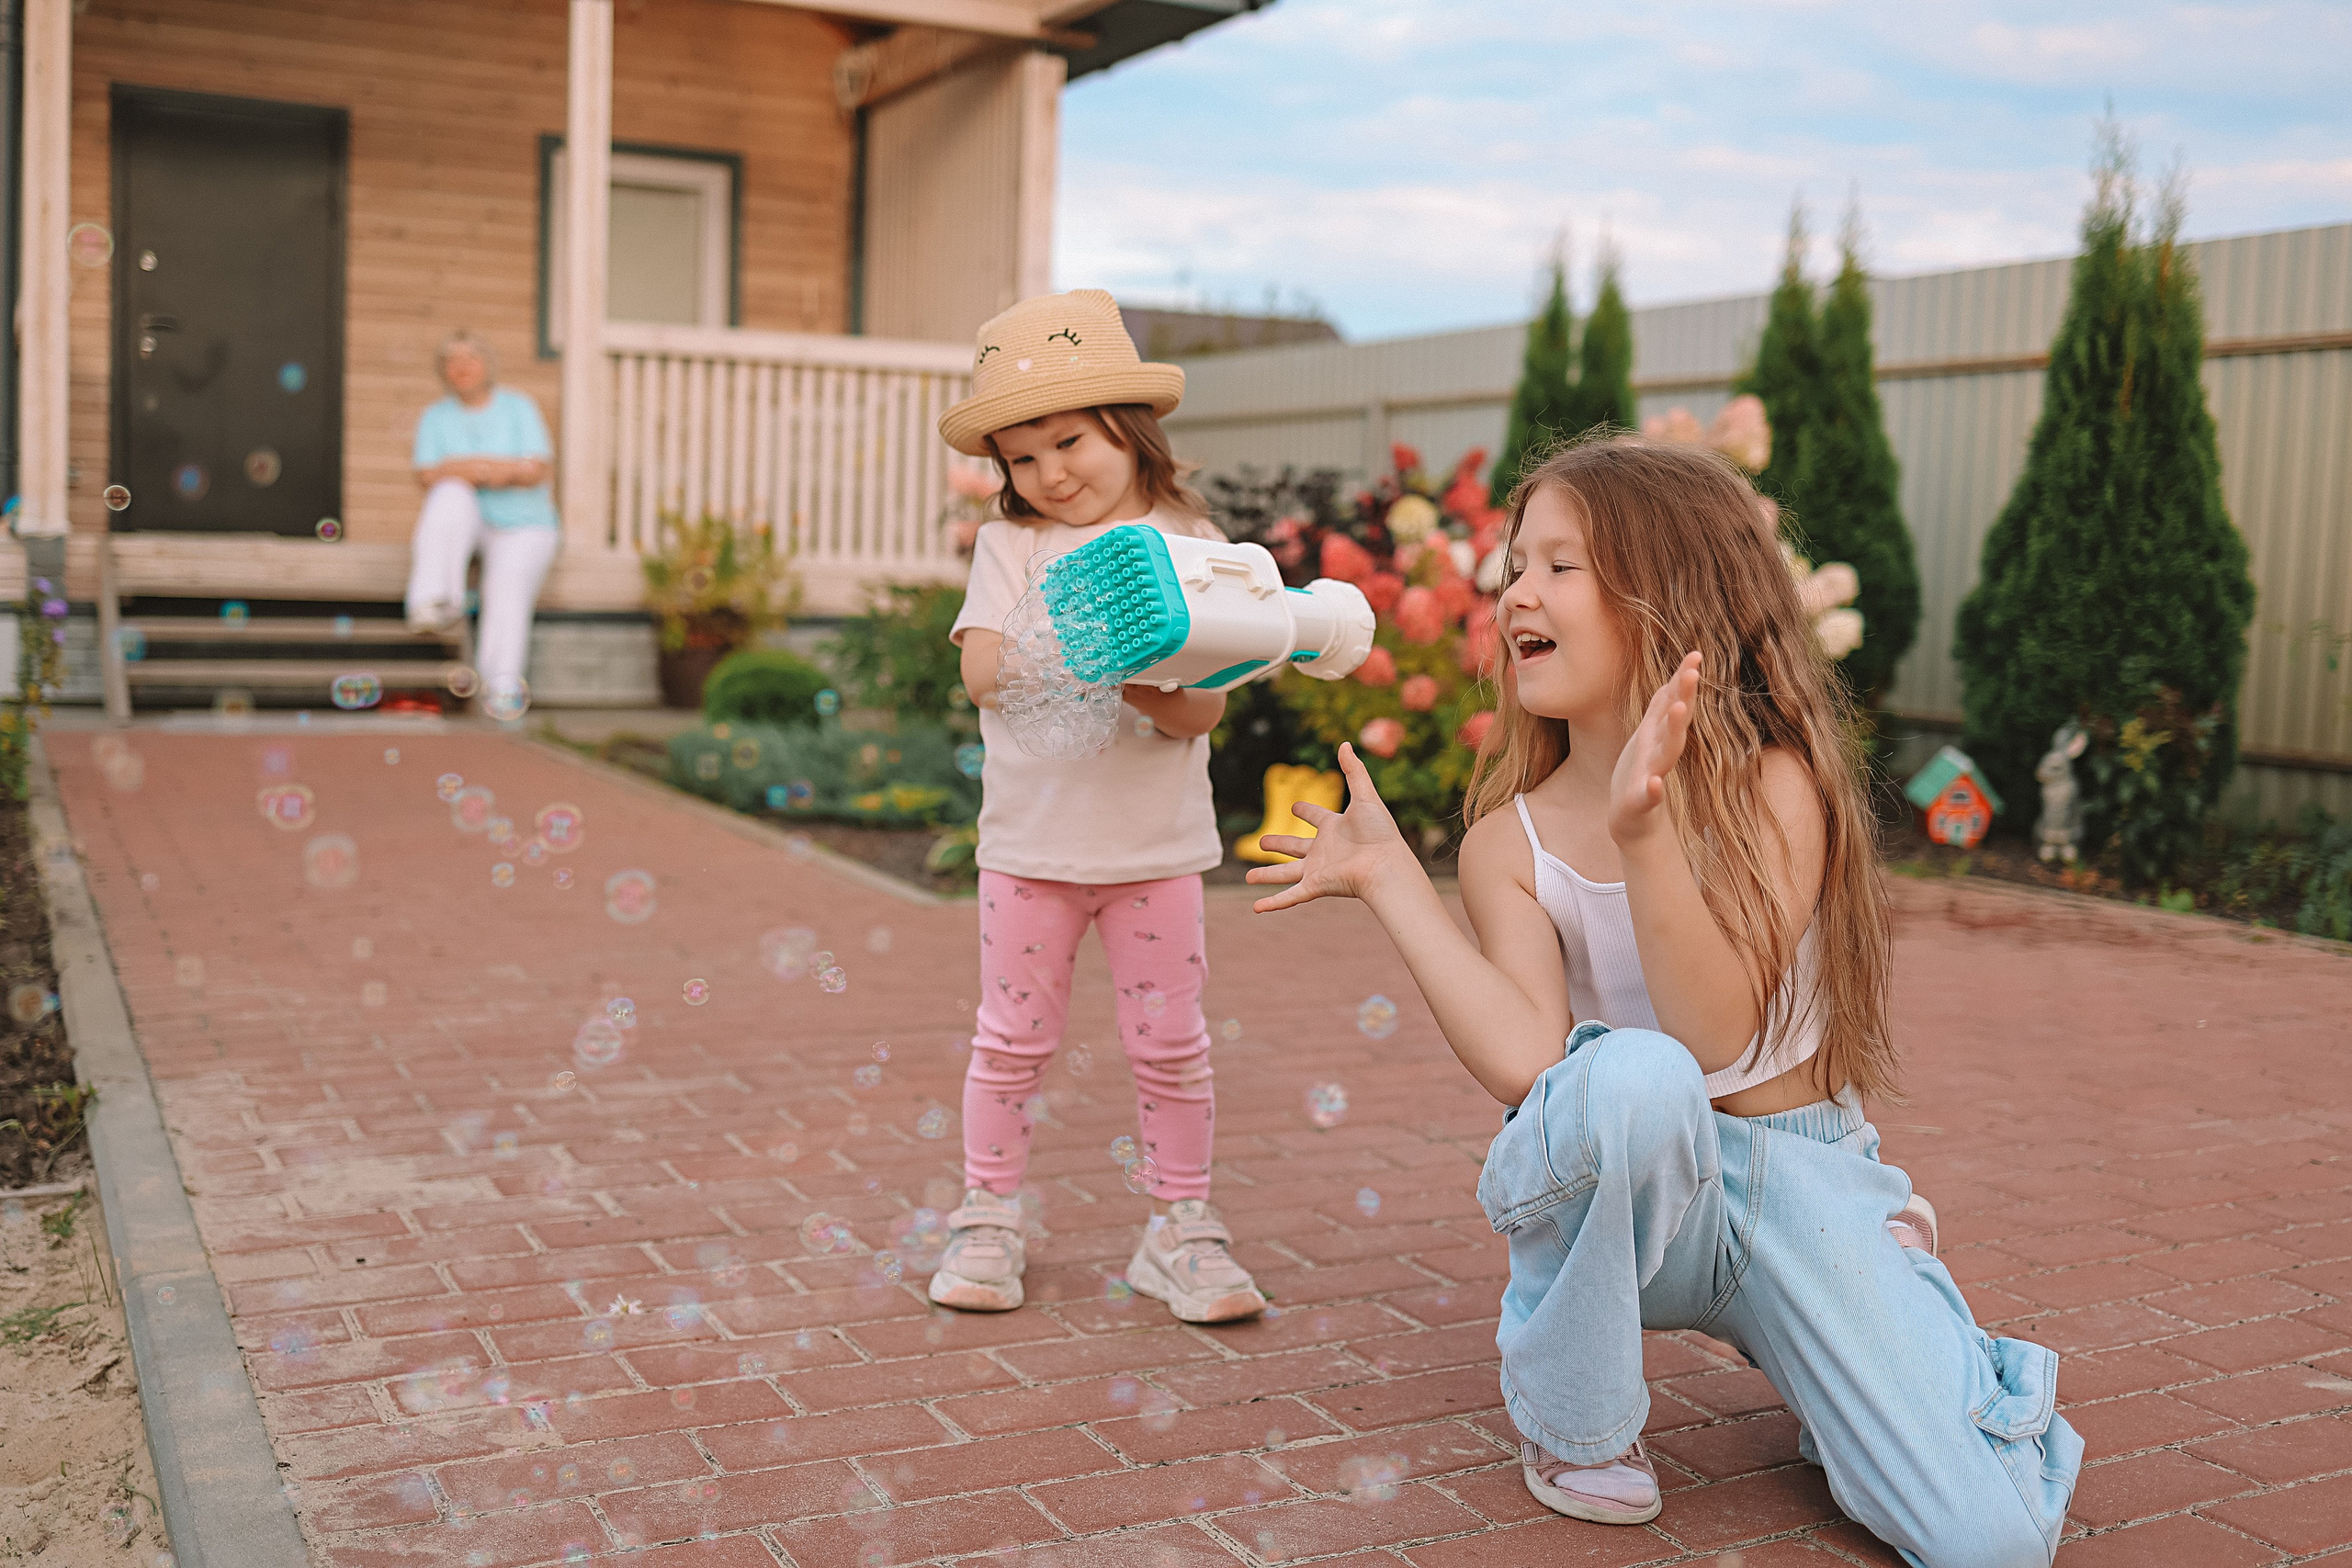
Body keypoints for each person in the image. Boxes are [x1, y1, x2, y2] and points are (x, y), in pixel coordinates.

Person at [1246, 436, 2081, 1566]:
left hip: (1803, 1178)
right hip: (1632, 1196)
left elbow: (1718, 1027)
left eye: (1562, 566)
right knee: (1632, 1076)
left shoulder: (1777, 784)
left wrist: (1647, 838)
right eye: (1514, 564)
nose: (1517, 594)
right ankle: (1577, 1422)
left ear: (1672, 596)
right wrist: (1395, 883)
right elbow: (1526, 1062)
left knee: (1991, 1547)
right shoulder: (1511, 840)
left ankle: (1887, 1368)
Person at [926, 288, 1261, 1325]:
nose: (1050, 473)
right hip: (1029, 851)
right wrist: (1081, 635)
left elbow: (1197, 710)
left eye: (1070, 442)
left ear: (1129, 428)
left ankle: (1180, 1228)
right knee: (1011, 1041)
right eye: (1023, 458)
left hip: (1152, 854)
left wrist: (1138, 671)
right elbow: (984, 671)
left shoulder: (1186, 540)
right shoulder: (1011, 547)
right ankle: (989, 1214)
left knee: (1170, 1045)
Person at [404, 330, 560, 710]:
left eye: (470, 359)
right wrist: (496, 470)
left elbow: (535, 470)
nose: (462, 368)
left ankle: (501, 689)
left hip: (524, 524)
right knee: (449, 494)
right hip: (471, 519)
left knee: (505, 592)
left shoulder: (517, 407)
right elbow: (428, 476)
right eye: (452, 361)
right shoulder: (435, 416)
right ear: (443, 371)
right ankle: (435, 600)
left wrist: (465, 467)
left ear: (487, 365)